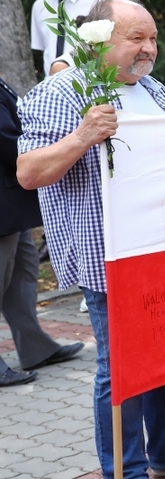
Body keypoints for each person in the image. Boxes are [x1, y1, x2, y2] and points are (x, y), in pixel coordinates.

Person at [16, 0, 165, 479]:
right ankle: (126, 478)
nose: (149, 49)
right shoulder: (62, 92)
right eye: (136, 38)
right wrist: (82, 136)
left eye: (153, 38)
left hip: (163, 246)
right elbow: (29, 172)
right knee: (122, 366)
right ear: (98, 41)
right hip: (108, 254)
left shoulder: (155, 90)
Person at [1, 77, 84, 387]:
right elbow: (7, 140)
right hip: (5, 200)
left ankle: (36, 347)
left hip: (12, 204)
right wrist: (43, 151)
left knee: (22, 277)